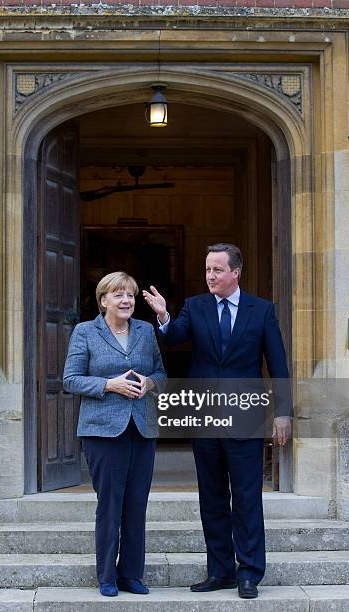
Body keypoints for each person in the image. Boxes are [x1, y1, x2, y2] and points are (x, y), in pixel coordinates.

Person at [143, 243, 292, 600]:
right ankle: (220, 571)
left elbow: (278, 364)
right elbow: (176, 338)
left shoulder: (262, 310)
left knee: (246, 497)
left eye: (217, 270)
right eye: (207, 269)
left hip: (246, 415)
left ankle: (250, 573)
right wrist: (164, 316)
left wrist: (283, 412)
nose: (210, 276)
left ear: (235, 272)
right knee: (211, 498)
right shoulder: (196, 306)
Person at [63, 271, 166, 598]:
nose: (126, 301)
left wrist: (149, 383)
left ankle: (131, 576)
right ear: (103, 299)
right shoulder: (85, 332)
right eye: (119, 295)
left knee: (136, 504)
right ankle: (107, 575)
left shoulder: (146, 331)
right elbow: (71, 380)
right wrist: (110, 384)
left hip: (142, 428)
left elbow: (161, 373)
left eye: (131, 296)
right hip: (102, 432)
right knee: (111, 504)